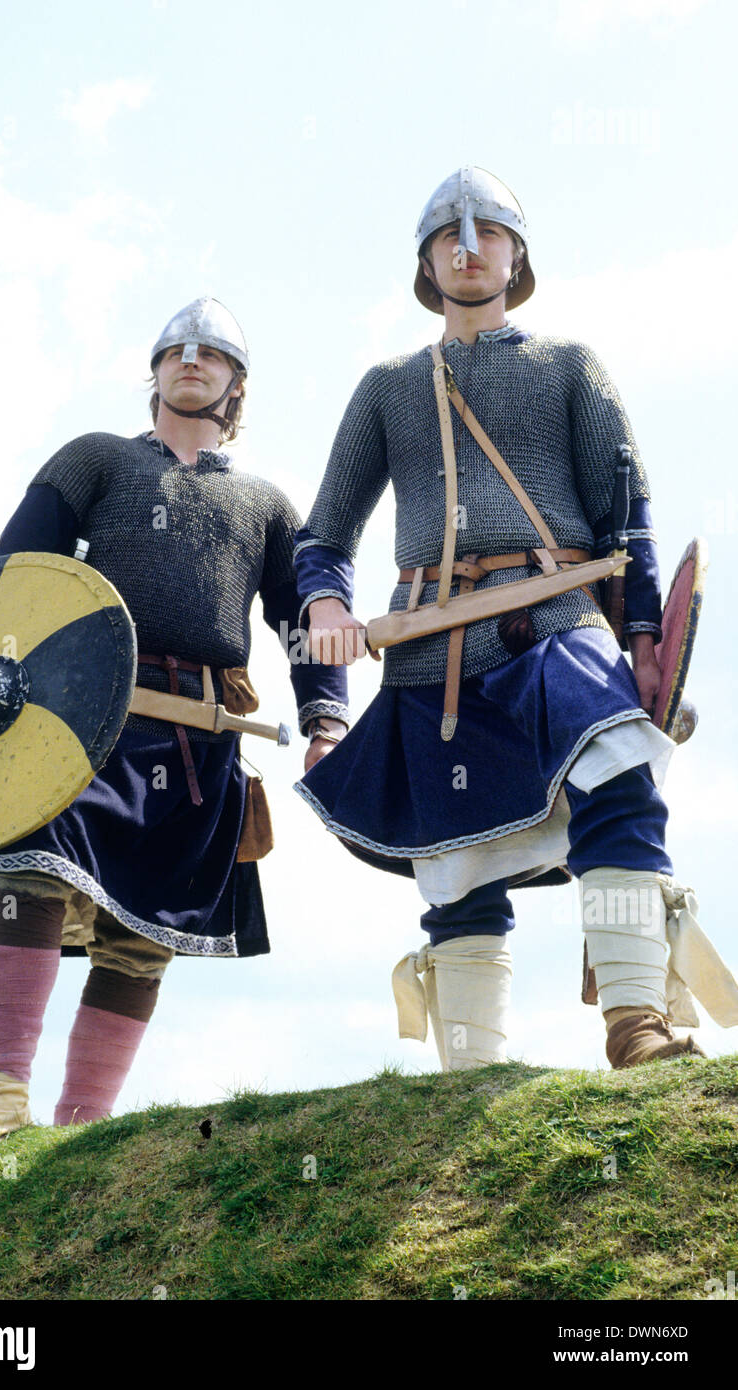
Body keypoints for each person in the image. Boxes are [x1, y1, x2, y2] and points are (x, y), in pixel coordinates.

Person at [293, 166, 737, 1073]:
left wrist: (646, 644)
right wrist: (328, 601)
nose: (467, 247)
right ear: (425, 260)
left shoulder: (568, 365)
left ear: (515, 255)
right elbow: (323, 536)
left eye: (487, 232)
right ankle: (473, 1070)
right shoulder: (386, 388)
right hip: (430, 648)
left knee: (619, 785)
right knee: (452, 850)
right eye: (449, 236)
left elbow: (629, 520)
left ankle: (635, 1024)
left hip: (558, 624)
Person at [0, 296, 347, 1164]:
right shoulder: (94, 461)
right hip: (82, 716)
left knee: (147, 930)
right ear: (154, 371)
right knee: (32, 862)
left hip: (200, 734)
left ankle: (80, 1132)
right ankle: (1, 1091)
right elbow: (14, 576)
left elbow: (302, 615)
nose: (190, 358)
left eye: (210, 352)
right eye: (175, 349)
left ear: (236, 383)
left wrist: (324, 715)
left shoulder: (267, 505)